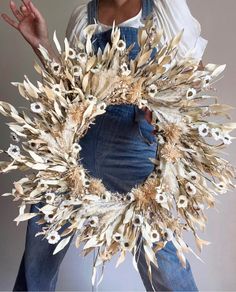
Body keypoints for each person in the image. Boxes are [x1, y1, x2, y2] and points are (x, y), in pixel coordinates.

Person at [1, 0, 208, 290]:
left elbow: (195, 72)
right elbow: (70, 87)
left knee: (163, 259)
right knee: (39, 244)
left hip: (134, 146)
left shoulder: (163, 6)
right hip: (75, 147)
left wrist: (164, 107)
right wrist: (42, 44)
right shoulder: (83, 15)